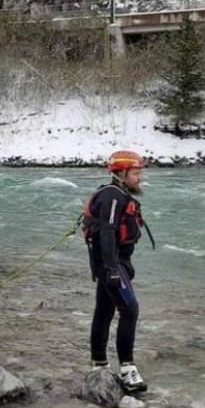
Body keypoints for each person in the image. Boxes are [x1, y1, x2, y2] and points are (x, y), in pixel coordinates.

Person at [82, 150, 154, 394]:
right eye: (135, 173)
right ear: (121, 174)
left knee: (104, 309)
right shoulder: (113, 196)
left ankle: (99, 363)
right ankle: (128, 370)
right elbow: (108, 232)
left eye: (139, 172)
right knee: (129, 309)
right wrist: (112, 268)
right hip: (109, 262)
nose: (139, 177)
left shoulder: (119, 193)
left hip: (115, 261)